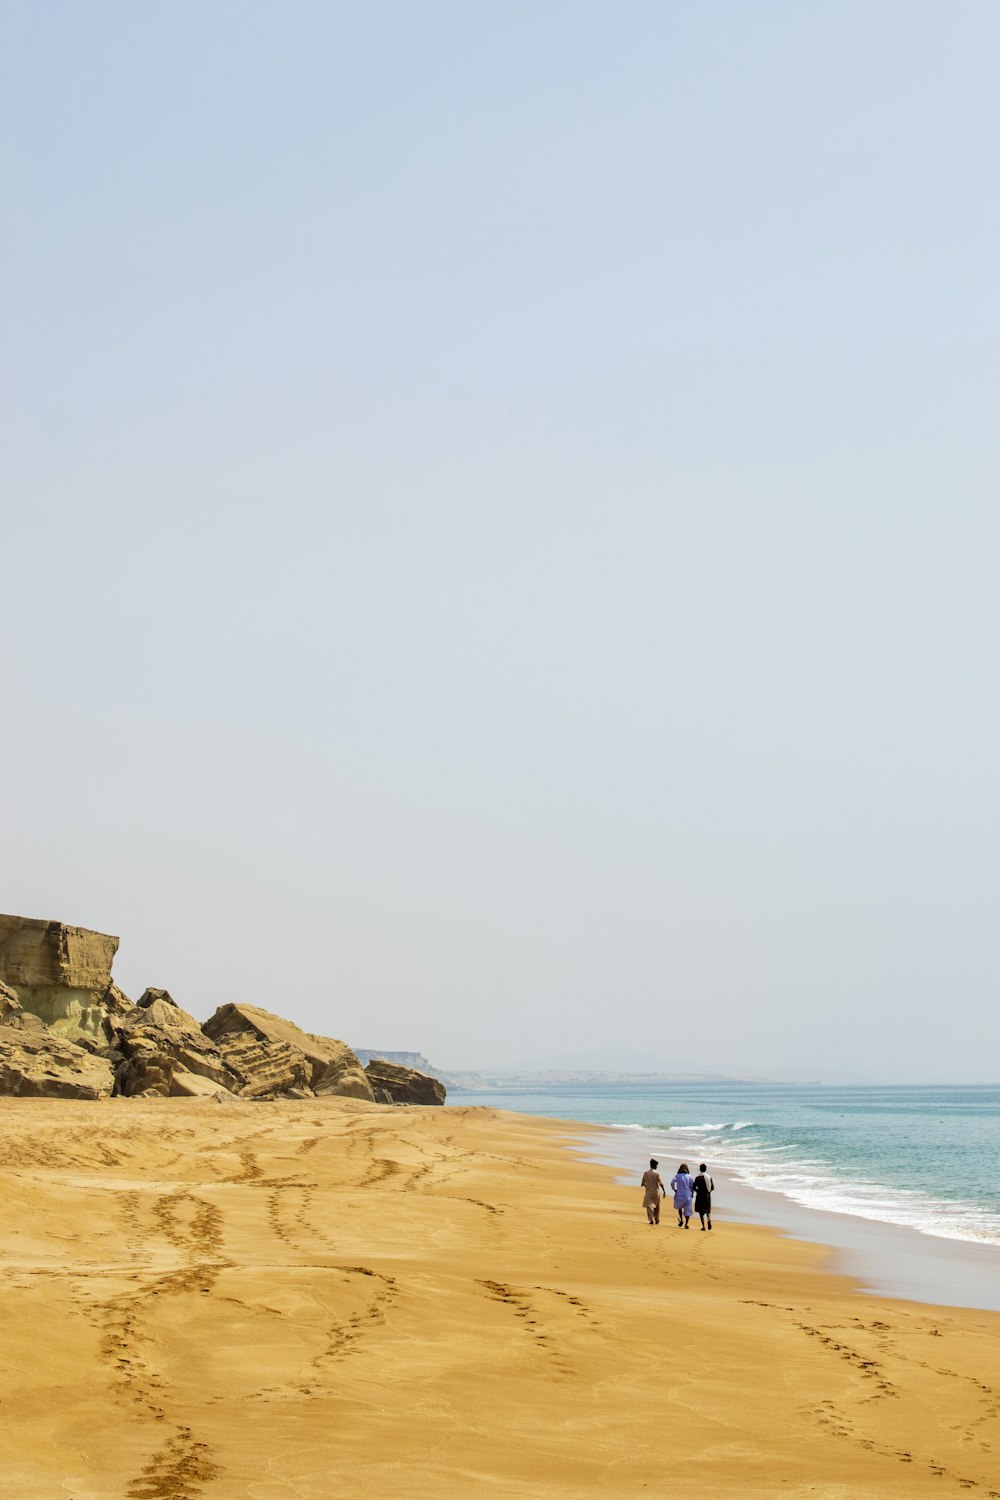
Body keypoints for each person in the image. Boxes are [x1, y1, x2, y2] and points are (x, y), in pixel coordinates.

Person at [640, 1158, 664, 1225]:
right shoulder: (657, 1173)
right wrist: (664, 1190)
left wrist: (647, 1186)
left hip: (649, 1192)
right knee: (657, 1206)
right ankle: (657, 1219)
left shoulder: (646, 1173)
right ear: (655, 1166)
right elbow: (661, 1183)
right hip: (656, 1192)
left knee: (649, 1206)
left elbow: (642, 1184)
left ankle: (651, 1219)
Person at [671, 1162, 694, 1228]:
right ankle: (686, 1224)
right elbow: (692, 1186)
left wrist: (675, 1190)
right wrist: (692, 1193)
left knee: (680, 1208)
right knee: (687, 1210)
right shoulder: (689, 1176)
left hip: (679, 1194)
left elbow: (672, 1183)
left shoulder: (677, 1176)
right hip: (687, 1195)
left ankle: (681, 1220)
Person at [692, 1163, 714, 1231]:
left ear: (700, 1169)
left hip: (700, 1196)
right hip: (707, 1195)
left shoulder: (697, 1178)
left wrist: (697, 1191)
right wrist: (708, 1192)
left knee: (701, 1212)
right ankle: (709, 1220)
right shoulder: (709, 1177)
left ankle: (703, 1226)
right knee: (708, 1210)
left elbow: (693, 1187)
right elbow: (712, 1188)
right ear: (706, 1169)